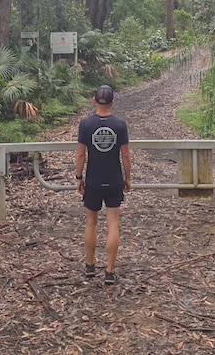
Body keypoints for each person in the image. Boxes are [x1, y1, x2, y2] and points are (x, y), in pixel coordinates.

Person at [75, 85, 131, 285]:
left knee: (91, 222)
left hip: (93, 180)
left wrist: (78, 177)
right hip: (114, 178)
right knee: (113, 223)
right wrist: (128, 177)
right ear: (113, 102)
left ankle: (90, 266)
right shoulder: (120, 125)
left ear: (94, 101)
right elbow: (125, 154)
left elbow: (81, 153)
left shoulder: (86, 124)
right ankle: (109, 271)